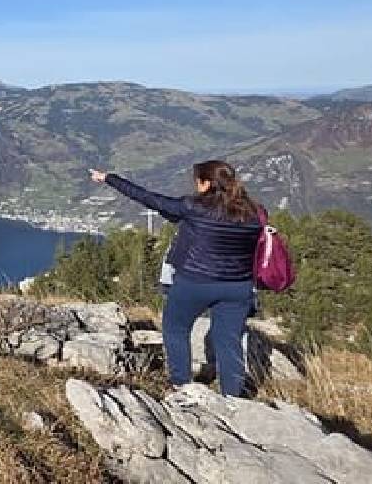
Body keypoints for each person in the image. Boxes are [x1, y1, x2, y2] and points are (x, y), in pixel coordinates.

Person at [88, 160, 261, 397]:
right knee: (228, 340)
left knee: (176, 328)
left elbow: (148, 198)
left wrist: (110, 179)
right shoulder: (255, 212)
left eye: (198, 181)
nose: (196, 185)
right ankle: (233, 397)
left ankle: (182, 386)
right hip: (238, 286)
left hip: (196, 282)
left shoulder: (194, 207)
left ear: (207, 183)